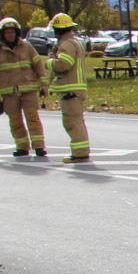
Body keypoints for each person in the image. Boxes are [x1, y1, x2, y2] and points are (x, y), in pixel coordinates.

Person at [0, 17, 47, 157]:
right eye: (7, 32)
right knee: (15, 121)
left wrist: (44, 85)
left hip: (28, 89)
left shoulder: (27, 47)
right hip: (9, 92)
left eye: (12, 32)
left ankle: (39, 146)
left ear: (17, 32)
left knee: (33, 118)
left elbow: (39, 66)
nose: (10, 35)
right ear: (2, 34)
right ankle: (22, 147)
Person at [43, 12, 92, 163]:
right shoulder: (74, 42)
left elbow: (64, 64)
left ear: (57, 30)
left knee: (72, 122)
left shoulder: (66, 44)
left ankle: (80, 153)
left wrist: (49, 62)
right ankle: (80, 151)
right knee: (76, 121)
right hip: (75, 90)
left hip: (71, 90)